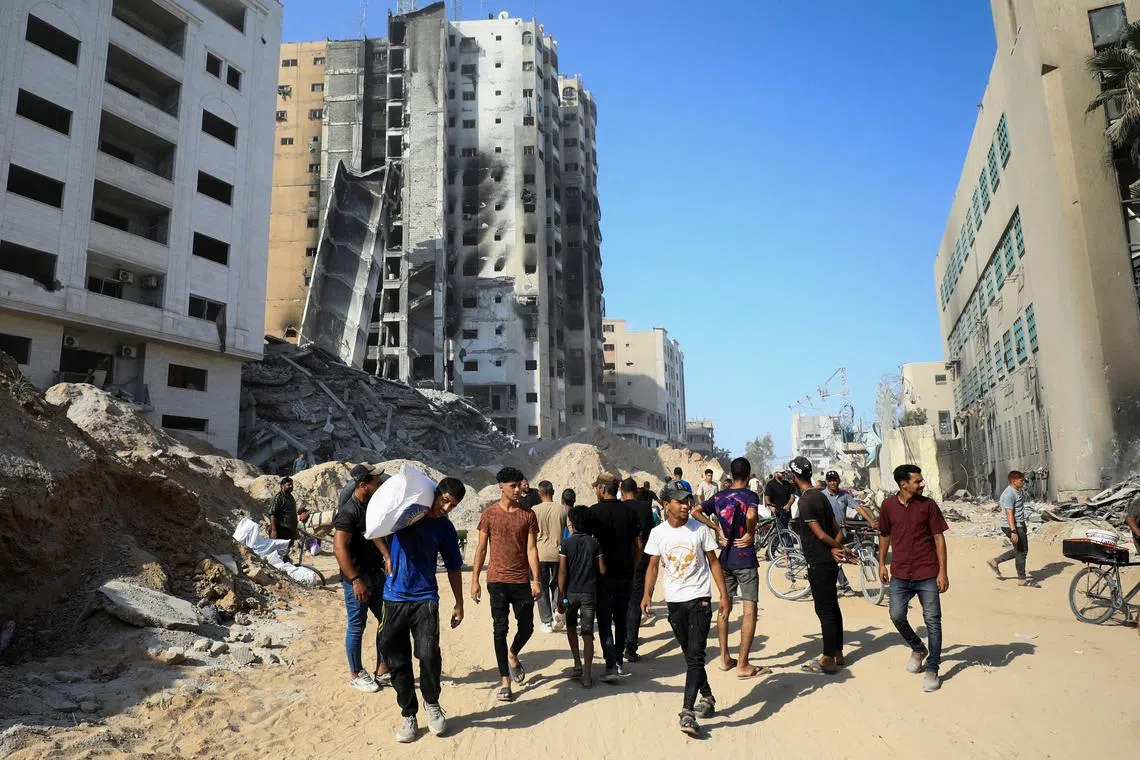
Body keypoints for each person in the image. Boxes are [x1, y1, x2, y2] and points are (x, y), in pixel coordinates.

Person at [375, 478, 467, 743]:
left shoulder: (445, 529)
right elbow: (374, 526)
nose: (447, 508)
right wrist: (386, 554)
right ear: (436, 494)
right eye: (445, 500)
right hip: (393, 599)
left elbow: (453, 566)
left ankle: (432, 702)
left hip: (425, 598)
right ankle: (408, 715)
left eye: (453, 505)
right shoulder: (406, 513)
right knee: (397, 660)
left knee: (428, 655)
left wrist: (459, 603)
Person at [640, 482, 730, 737]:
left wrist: (724, 595)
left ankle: (687, 712)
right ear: (666, 504)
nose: (686, 505)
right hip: (674, 601)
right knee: (690, 654)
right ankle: (708, 696)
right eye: (679, 501)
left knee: (696, 655)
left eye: (688, 500)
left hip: (700, 599)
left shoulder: (700, 530)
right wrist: (647, 594)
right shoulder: (658, 533)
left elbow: (714, 563)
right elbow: (653, 567)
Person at [469, 467, 541, 702]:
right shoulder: (489, 514)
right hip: (497, 580)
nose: (519, 489)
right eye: (513, 485)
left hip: (521, 581)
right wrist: (475, 580)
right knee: (500, 630)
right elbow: (481, 548)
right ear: (501, 486)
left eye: (520, 485)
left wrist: (536, 579)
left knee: (527, 627)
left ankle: (513, 653)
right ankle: (505, 681)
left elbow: (532, 549)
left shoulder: (528, 515)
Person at [878, 464, 950, 693]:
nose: (922, 484)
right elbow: (885, 535)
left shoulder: (928, 506)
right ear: (903, 484)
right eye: (917, 481)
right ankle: (918, 648)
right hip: (900, 572)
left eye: (921, 480)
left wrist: (943, 571)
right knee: (896, 614)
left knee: (932, 621)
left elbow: (939, 538)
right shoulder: (888, 506)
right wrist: (881, 563)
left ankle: (932, 668)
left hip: (927, 572)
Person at [698, 457, 768, 678]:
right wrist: (750, 532)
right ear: (748, 476)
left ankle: (725, 657)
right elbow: (751, 515)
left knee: (725, 607)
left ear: (731, 474)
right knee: (749, 611)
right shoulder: (750, 496)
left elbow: (695, 511)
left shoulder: (719, 497)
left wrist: (716, 527)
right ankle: (743, 664)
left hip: (725, 558)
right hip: (745, 558)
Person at [789, 456, 853, 674]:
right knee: (833, 606)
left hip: (819, 562)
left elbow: (819, 533)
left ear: (794, 477)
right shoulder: (821, 496)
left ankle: (828, 658)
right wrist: (838, 546)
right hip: (830, 561)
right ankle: (838, 652)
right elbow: (836, 528)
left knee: (824, 610)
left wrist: (836, 547)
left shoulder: (805, 501)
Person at [332, 463, 391, 692]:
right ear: (363, 485)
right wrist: (356, 580)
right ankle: (356, 674)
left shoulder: (370, 506)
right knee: (357, 626)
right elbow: (339, 549)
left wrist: (386, 556)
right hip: (357, 580)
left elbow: (373, 533)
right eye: (376, 482)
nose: (380, 484)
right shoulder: (348, 513)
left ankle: (383, 669)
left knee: (387, 620)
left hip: (376, 576)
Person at [588, 472, 643, 682]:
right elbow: (638, 545)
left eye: (596, 487)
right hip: (625, 574)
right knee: (620, 619)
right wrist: (634, 565)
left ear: (602, 489)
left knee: (604, 619)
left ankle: (610, 664)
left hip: (602, 576)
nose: (595, 490)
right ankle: (619, 661)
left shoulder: (594, 513)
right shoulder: (630, 512)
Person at [557, 506, 606, 688]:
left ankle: (577, 663)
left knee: (571, 627)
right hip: (589, 593)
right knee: (587, 633)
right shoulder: (594, 543)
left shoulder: (566, 543)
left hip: (570, 593)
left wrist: (561, 595)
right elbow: (602, 570)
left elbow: (562, 571)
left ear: (572, 524)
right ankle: (587, 674)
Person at [620, 477, 656, 663]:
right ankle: (630, 645)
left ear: (621, 490)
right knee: (634, 601)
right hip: (641, 558)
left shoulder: (620, 507)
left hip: (620, 559)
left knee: (622, 602)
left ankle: (622, 643)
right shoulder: (644, 508)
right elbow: (650, 534)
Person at [987, 470, 1036, 586]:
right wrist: (1014, 531)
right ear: (1014, 481)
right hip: (1013, 526)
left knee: (1020, 550)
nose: (1023, 482)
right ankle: (1022, 579)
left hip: (1018, 525)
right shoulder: (1009, 494)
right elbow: (1009, 513)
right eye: (1021, 480)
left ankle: (995, 561)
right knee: (1022, 552)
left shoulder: (1016, 491)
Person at [532, 480, 568, 633]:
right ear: (553, 492)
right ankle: (556, 611)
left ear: (540, 494)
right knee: (557, 585)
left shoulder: (534, 510)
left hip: (539, 554)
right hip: (558, 553)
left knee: (541, 585)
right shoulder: (563, 510)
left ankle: (546, 621)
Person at [821, 471, 858, 594]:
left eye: (835, 480)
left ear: (839, 481)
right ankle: (844, 585)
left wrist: (871, 521)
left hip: (841, 532)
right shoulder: (822, 496)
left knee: (836, 558)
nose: (832, 482)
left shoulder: (845, 495)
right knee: (835, 558)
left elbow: (858, 507)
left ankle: (838, 585)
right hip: (828, 532)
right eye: (830, 480)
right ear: (826, 481)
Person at [270, 477, 306, 565]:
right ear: (282, 485)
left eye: (292, 485)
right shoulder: (278, 498)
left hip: (289, 531)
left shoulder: (290, 497)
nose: (291, 486)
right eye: (288, 485)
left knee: (286, 552)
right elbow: (273, 514)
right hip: (281, 530)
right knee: (280, 554)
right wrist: (274, 530)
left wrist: (295, 530)